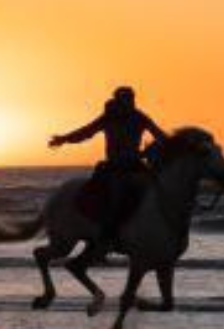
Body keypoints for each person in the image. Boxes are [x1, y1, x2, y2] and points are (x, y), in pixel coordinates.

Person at [49, 86, 167, 243]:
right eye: (127, 99)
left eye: (132, 99)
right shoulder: (108, 118)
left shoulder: (140, 117)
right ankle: (107, 235)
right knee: (116, 196)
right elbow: (85, 132)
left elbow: (160, 136)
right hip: (114, 166)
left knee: (158, 190)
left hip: (135, 164)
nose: (130, 103)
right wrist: (64, 139)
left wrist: (180, 145)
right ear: (118, 101)